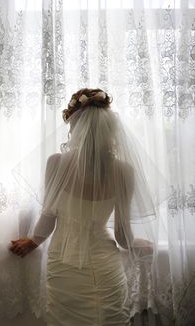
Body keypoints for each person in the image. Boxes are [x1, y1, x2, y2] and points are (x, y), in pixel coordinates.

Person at [9, 88, 155, 326]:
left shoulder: (56, 163)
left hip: (63, 264)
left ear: (75, 126)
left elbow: (48, 217)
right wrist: (136, 244)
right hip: (105, 264)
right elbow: (121, 235)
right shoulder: (125, 171)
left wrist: (32, 242)